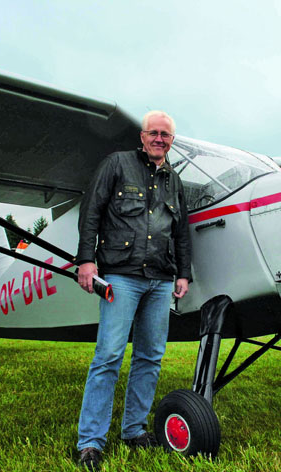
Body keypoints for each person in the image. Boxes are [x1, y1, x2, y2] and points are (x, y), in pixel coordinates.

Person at [75, 110, 192, 470]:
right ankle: (90, 443)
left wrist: (183, 274)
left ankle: (134, 430)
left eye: (166, 135)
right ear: (142, 136)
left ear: (172, 140)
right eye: (153, 133)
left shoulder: (175, 181)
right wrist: (86, 260)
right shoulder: (117, 164)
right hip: (121, 275)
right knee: (109, 356)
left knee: (150, 358)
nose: (159, 139)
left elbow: (181, 231)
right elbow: (91, 210)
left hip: (160, 279)